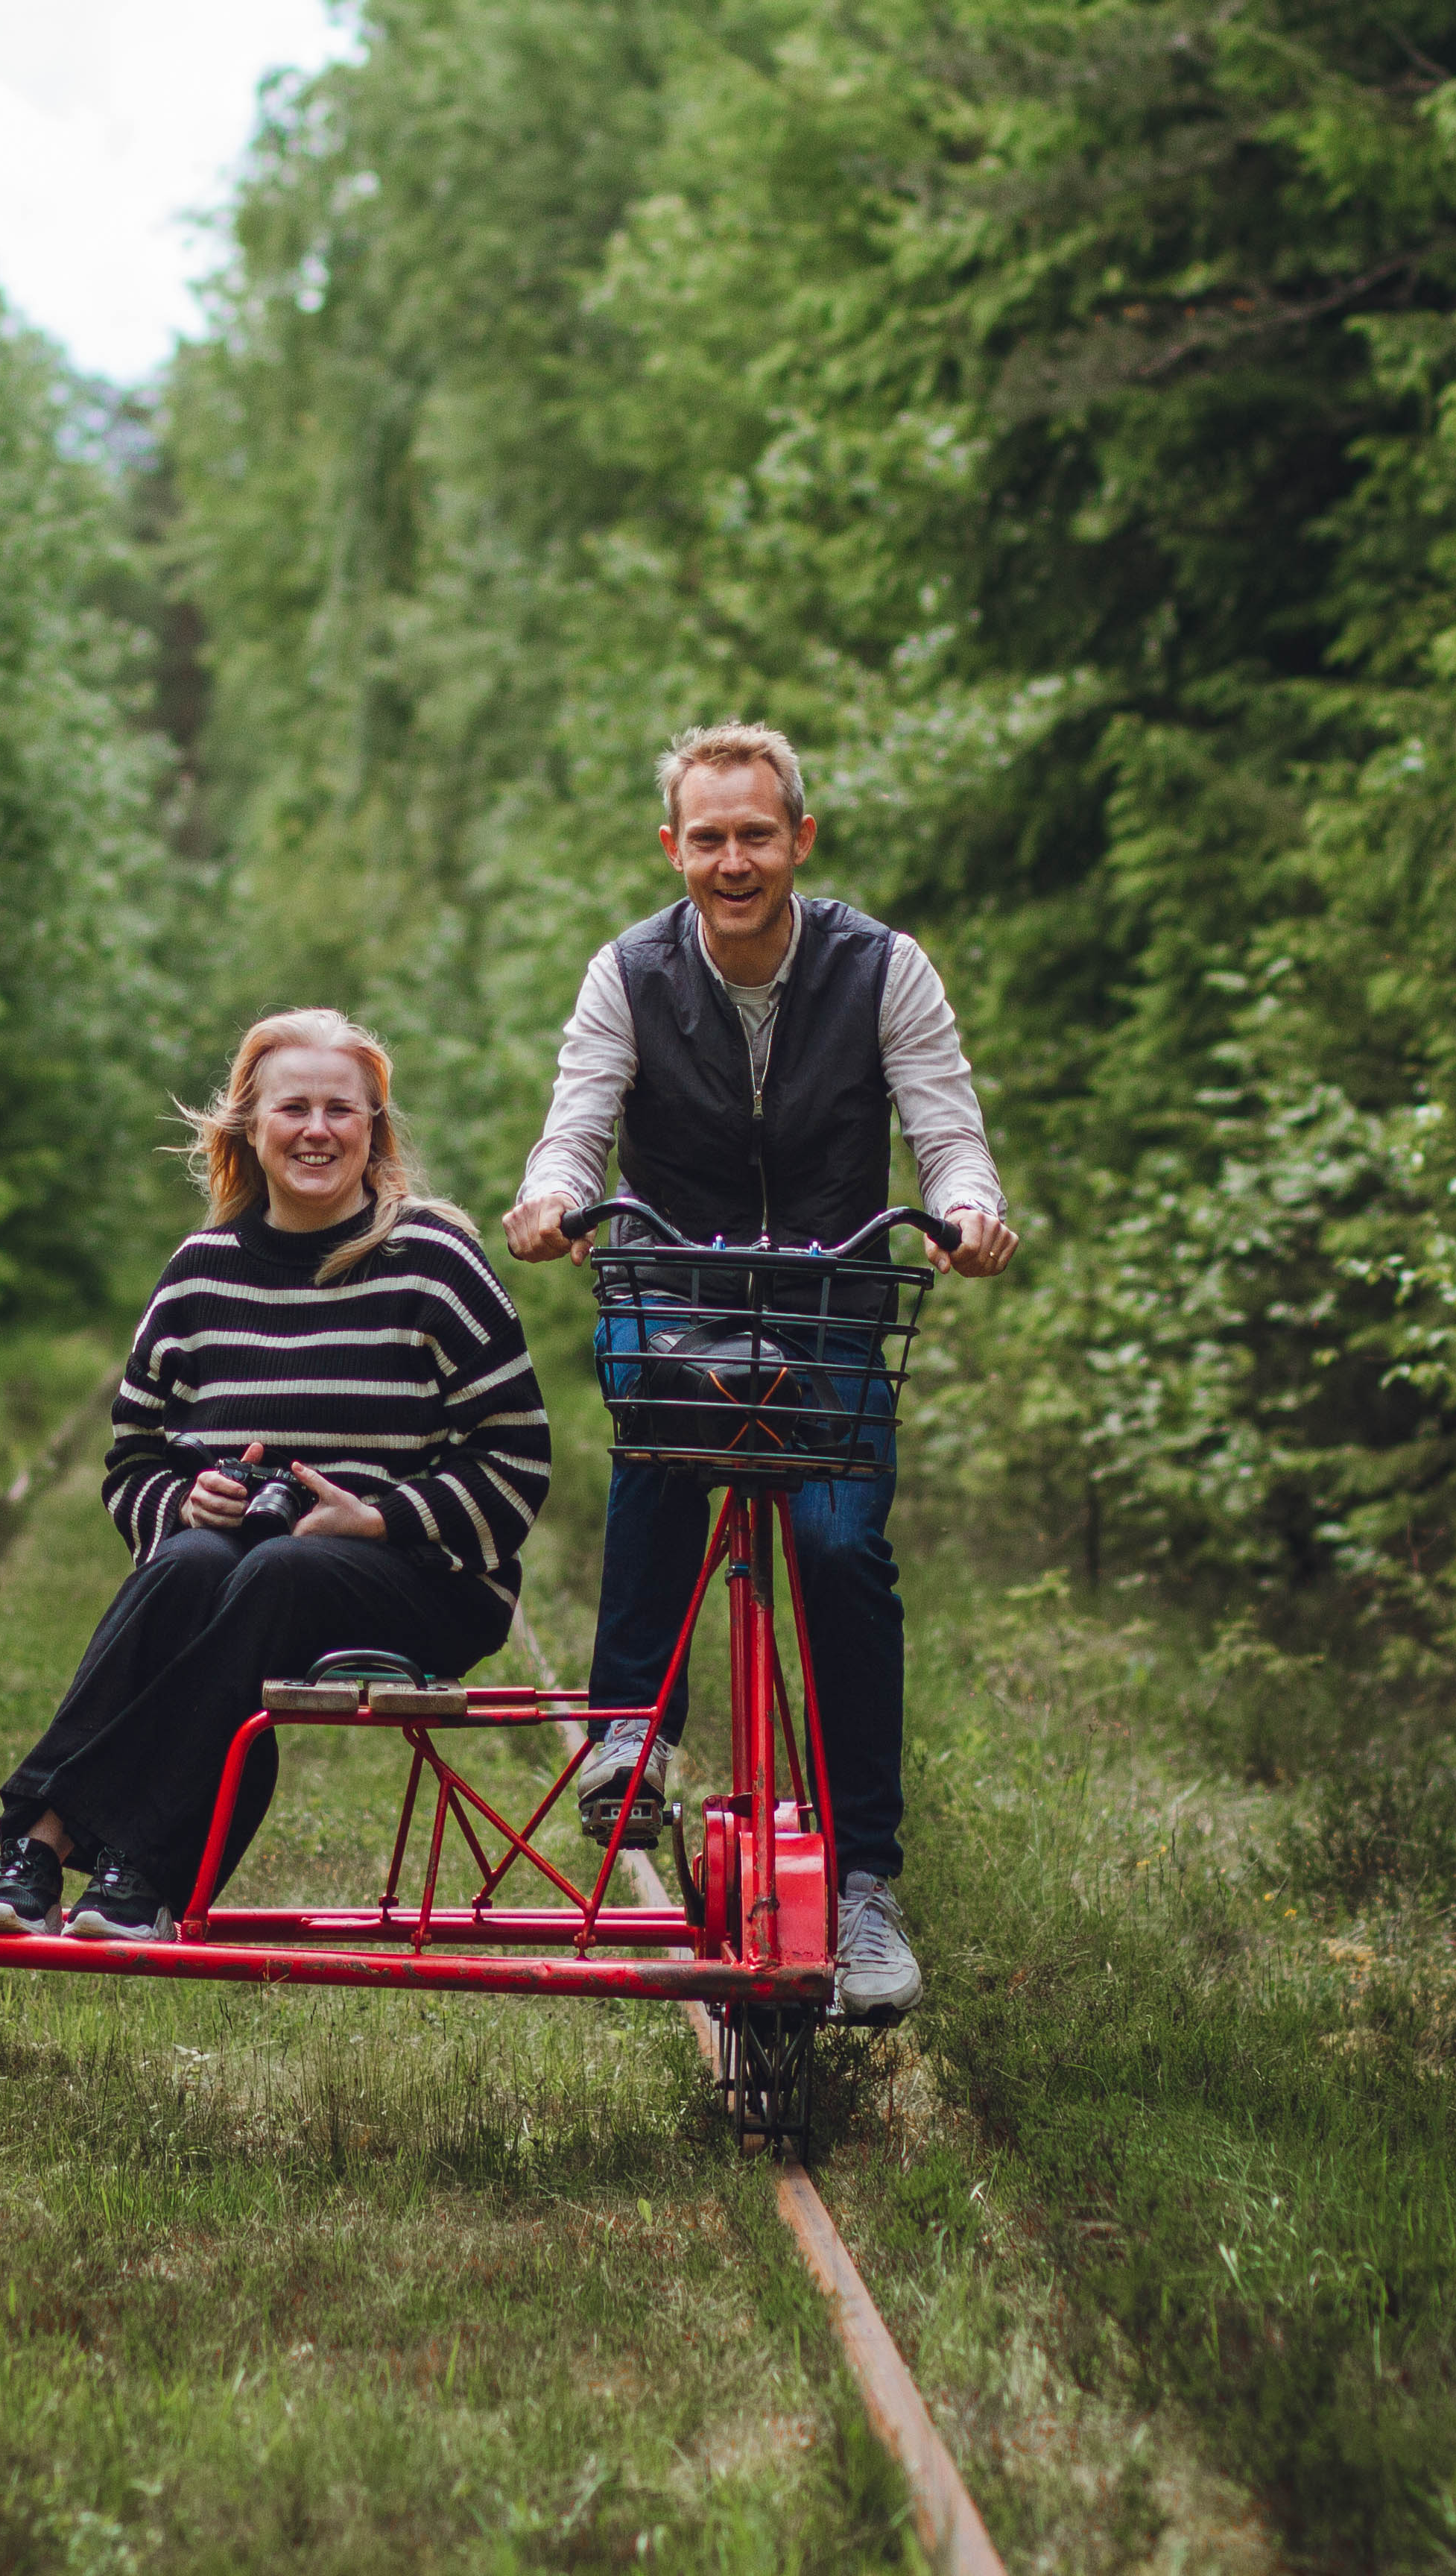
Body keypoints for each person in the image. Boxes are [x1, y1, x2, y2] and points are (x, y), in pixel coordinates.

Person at [498, 722, 1018, 2025]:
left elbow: (944, 1129)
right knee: (661, 1443)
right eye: (707, 838)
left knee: (841, 1552)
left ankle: (862, 1887)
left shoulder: (881, 967)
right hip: (675, 1290)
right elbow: (575, 1120)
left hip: (838, 1297)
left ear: (798, 838)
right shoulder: (625, 971)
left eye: (755, 834)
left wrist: (967, 1214)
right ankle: (631, 1728)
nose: (733, 861)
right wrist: (551, 1198)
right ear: (672, 845)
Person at [0, 1009, 552, 1941]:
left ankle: (117, 1860)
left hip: (424, 1583)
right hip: (238, 1574)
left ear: (374, 1131)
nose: (317, 1130)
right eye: (293, 1110)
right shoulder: (198, 1276)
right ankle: (54, 1855)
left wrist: (377, 1517)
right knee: (194, 1563)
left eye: (341, 1111)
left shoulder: (435, 1264)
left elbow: (516, 1461)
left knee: (278, 1568)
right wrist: (182, 1501)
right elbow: (133, 1463)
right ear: (249, 1128)